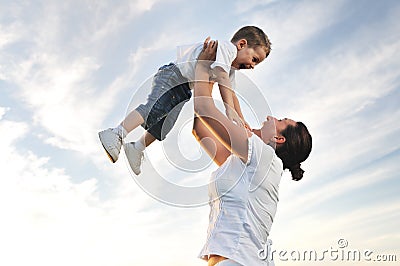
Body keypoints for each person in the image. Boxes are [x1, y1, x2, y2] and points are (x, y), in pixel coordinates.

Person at [192, 40, 312, 265]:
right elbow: (200, 129)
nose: (270, 117)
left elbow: (204, 109)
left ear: (278, 138)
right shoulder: (247, 162)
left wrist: (200, 67)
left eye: (279, 120)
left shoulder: (264, 158)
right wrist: (219, 69)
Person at [98, 26, 271, 175]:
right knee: (154, 108)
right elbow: (222, 79)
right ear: (242, 45)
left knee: (166, 124)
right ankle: (116, 132)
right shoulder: (227, 49)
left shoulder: (229, 69)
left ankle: (137, 148)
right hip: (173, 75)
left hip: (184, 87)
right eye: (254, 59)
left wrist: (241, 120)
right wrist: (229, 110)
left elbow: (231, 93)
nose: (253, 66)